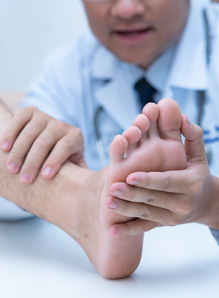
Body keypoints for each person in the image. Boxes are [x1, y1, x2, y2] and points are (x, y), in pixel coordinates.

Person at [0, 0, 219, 276]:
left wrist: (212, 202)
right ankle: (80, 201)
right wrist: (37, 148)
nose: (126, 10)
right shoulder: (68, 70)